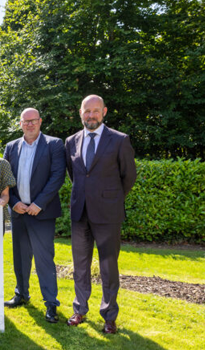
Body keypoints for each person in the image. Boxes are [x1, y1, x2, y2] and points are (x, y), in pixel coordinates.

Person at [65, 95, 137, 334]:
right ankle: (80, 310)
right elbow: (76, 175)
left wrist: (110, 198)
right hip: (80, 213)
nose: (91, 115)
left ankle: (109, 315)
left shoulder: (119, 140)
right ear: (80, 113)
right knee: (80, 266)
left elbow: (128, 177)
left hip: (108, 214)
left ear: (104, 111)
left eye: (96, 111)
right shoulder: (71, 141)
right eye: (87, 111)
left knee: (108, 267)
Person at [3, 108, 66, 323]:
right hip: (19, 211)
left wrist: (39, 203)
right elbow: (6, 179)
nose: (30, 124)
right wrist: (14, 202)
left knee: (44, 259)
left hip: (42, 212)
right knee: (20, 258)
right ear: (20, 123)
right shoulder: (11, 147)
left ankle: (51, 303)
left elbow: (58, 176)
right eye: (25, 121)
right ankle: (21, 294)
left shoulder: (54, 144)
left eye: (33, 120)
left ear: (40, 121)